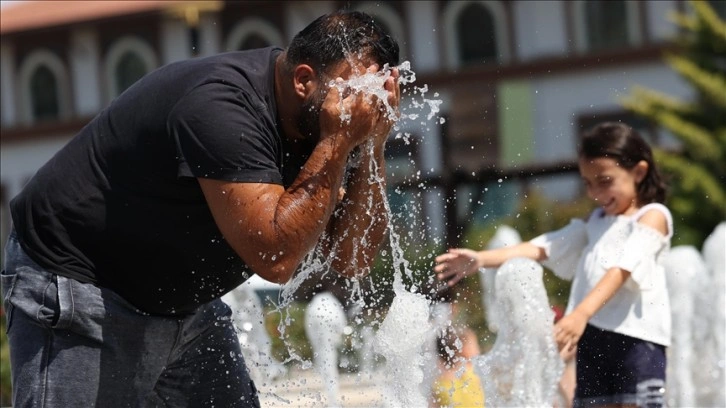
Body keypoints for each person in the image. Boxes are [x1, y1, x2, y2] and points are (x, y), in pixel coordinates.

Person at [2, 10, 400, 407]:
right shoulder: (222, 106)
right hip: (82, 282)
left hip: (182, 301)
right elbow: (275, 258)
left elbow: (352, 259)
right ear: (303, 81)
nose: (364, 106)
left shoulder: (333, 121)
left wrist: (373, 147)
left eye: (377, 93)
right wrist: (336, 143)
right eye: (357, 92)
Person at [435, 122, 672, 407]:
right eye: (587, 182)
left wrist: (580, 314)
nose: (595, 192)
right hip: (593, 337)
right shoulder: (595, 222)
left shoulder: (653, 216)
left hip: (636, 338)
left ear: (639, 172)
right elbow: (543, 246)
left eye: (605, 180)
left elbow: (621, 270)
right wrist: (482, 259)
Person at [430, 325, 485, 408]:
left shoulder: (438, 387)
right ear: (463, 349)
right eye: (475, 345)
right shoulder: (472, 375)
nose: (478, 350)